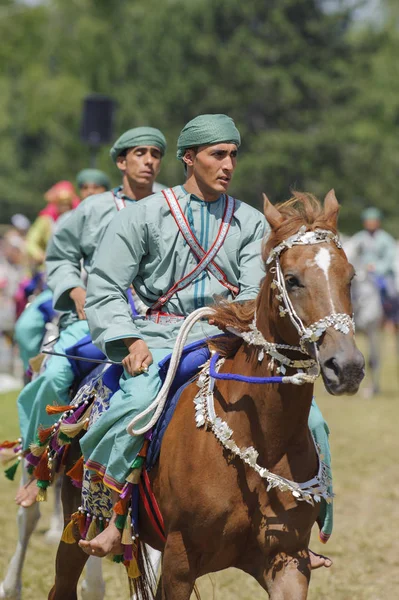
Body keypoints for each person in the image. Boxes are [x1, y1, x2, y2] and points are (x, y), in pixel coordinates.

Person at [15, 127, 167, 508]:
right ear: (121, 162)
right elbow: (60, 255)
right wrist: (77, 291)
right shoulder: (93, 209)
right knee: (54, 374)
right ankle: (39, 463)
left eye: (155, 154)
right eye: (139, 153)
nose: (148, 161)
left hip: (158, 321)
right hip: (96, 316)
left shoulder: (172, 206)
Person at [13, 169, 111, 373]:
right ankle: (32, 371)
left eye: (96, 188)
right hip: (61, 287)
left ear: (107, 191)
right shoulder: (61, 220)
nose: (90, 192)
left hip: (105, 293)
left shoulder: (120, 216)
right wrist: (41, 257)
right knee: (25, 328)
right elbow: (41, 247)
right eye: (85, 188)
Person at [349, 207, 398, 324]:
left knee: (392, 293)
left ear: (378, 222)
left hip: (382, 274)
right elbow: (351, 253)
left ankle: (392, 318)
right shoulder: (359, 238)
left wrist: (376, 268)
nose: (370, 224)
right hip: (362, 273)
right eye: (368, 221)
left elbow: (389, 258)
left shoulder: (386, 239)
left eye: (373, 221)